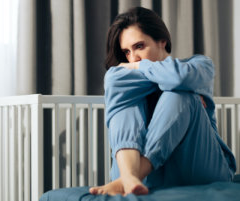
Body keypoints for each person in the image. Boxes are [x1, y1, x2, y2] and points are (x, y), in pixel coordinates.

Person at [89, 6, 236, 196]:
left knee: (180, 92)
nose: (133, 58)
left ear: (162, 41)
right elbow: (113, 77)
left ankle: (129, 177)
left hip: (201, 168)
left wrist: (140, 66)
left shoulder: (198, 66)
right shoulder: (122, 78)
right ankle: (128, 174)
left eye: (139, 46)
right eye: (126, 52)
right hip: (154, 176)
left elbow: (180, 78)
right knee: (125, 96)